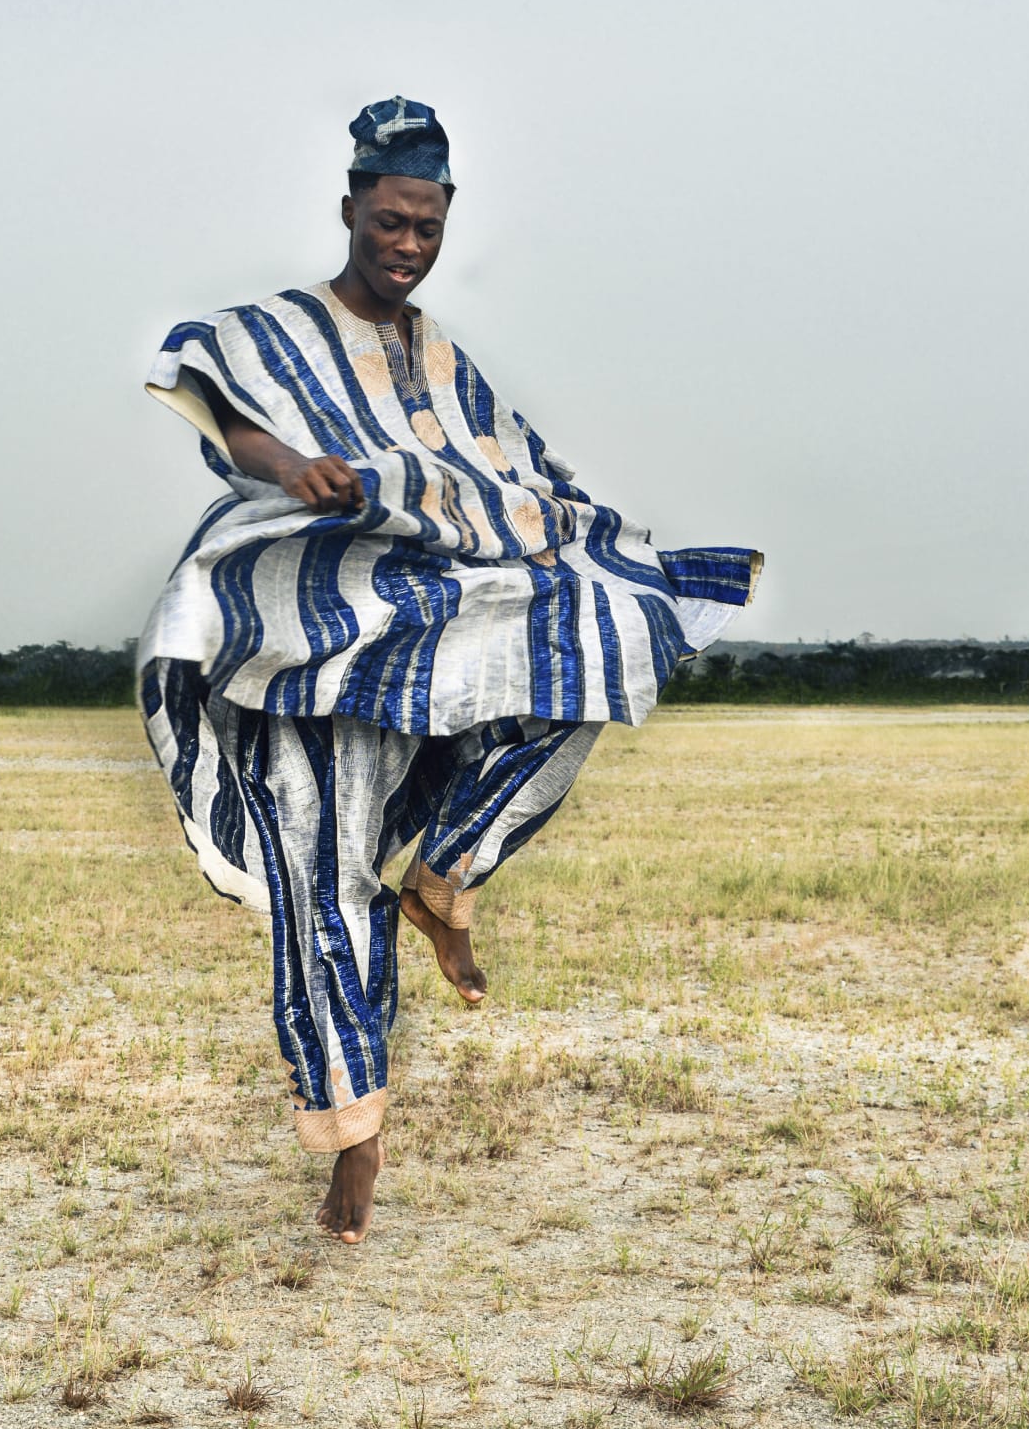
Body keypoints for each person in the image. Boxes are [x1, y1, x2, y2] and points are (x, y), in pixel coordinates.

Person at [138, 97, 760, 1242]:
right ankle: (350, 1141)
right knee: (323, 890)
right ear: (350, 208)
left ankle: (447, 874)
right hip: (305, 631)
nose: (407, 243)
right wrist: (300, 465)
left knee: (601, 647)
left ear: (444, 220)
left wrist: (551, 518)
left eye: (426, 225)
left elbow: (497, 468)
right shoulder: (281, 329)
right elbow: (225, 411)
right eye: (389, 220)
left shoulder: (441, 353)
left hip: (425, 632)